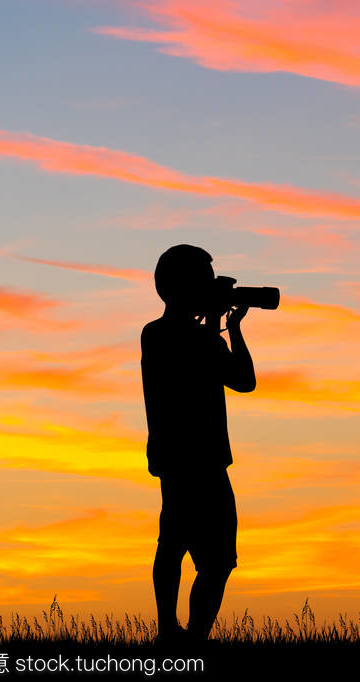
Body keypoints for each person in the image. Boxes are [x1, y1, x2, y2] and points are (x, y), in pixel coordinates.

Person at [141, 244, 256, 644]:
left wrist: (227, 327)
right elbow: (238, 377)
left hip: (192, 460)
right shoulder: (169, 336)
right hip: (193, 461)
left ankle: (185, 636)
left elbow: (241, 380)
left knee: (207, 554)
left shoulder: (175, 335)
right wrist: (221, 327)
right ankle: (175, 633)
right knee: (184, 547)